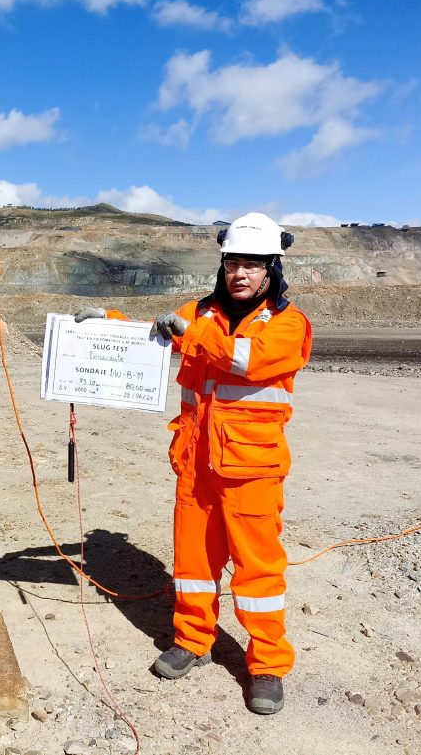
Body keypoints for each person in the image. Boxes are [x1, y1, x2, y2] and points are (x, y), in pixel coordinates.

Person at [74, 212, 311, 714]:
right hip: (196, 462)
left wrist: (191, 332)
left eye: (252, 265)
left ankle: (267, 665)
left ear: (272, 270)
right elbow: (155, 338)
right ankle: (193, 641)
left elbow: (246, 360)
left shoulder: (289, 324)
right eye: (233, 264)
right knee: (193, 563)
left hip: (252, 468)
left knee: (257, 569)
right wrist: (104, 327)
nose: (240, 274)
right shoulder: (199, 312)